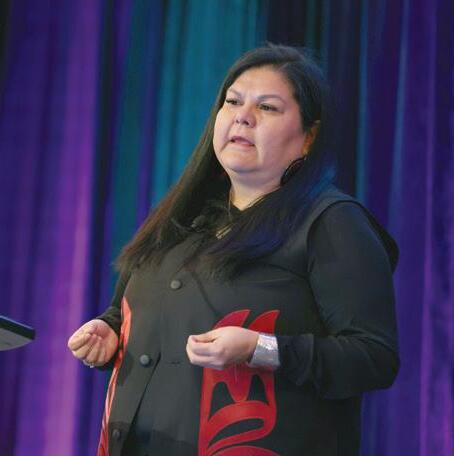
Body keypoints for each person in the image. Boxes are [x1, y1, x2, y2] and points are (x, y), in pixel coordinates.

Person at [68, 44, 400, 456]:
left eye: (267, 107)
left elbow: (373, 357)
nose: (243, 116)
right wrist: (107, 333)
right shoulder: (180, 217)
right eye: (233, 101)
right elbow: (125, 313)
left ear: (308, 138)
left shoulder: (330, 222)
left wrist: (259, 348)